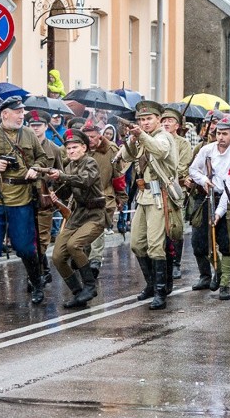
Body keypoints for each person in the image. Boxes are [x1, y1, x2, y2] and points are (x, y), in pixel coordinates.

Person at [0, 96, 49, 307]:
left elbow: (42, 158)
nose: (21, 115)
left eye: (22, 112)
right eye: (17, 112)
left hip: (22, 196)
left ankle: (36, 283)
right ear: (5, 114)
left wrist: (35, 168)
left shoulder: (29, 135)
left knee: (24, 246)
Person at [120, 100, 179, 310]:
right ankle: (151, 284)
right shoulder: (139, 138)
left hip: (160, 195)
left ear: (158, 120)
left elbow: (160, 151)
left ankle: (161, 291)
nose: (144, 123)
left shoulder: (164, 137)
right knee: (136, 243)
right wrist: (129, 138)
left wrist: (140, 136)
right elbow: (126, 157)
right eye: (141, 120)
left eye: (148, 119)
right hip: (143, 195)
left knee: (156, 246)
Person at [46, 129, 105, 307]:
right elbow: (66, 191)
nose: (71, 151)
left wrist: (62, 175)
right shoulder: (69, 166)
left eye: (74, 147)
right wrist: (55, 185)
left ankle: (89, 286)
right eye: (68, 148)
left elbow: (84, 181)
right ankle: (78, 293)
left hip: (94, 215)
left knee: (74, 245)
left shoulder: (90, 163)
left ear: (84, 148)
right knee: (57, 256)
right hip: (77, 215)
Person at [188, 117, 230, 299]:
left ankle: (225, 283)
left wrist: (218, 214)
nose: (221, 137)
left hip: (226, 200)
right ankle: (217, 271)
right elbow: (193, 170)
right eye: (218, 133)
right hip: (205, 198)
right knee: (199, 242)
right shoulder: (206, 150)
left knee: (226, 243)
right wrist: (204, 180)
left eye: (225, 134)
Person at [83, 120, 127, 278]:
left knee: (97, 225)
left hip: (104, 194)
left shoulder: (111, 150)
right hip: (82, 197)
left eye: (93, 136)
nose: (90, 140)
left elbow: (118, 176)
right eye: (86, 136)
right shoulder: (78, 149)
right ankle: (84, 260)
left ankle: (95, 259)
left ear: (100, 136)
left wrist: (121, 197)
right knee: (83, 231)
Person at [27, 110, 61, 286]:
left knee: (41, 238)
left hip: (44, 198)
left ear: (46, 127)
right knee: (27, 238)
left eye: (38, 125)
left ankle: (37, 274)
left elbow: (61, 175)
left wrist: (55, 191)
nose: (35, 129)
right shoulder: (23, 148)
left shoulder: (54, 149)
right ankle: (43, 270)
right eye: (32, 125)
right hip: (24, 197)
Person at [160, 107, 193, 283]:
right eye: (163, 121)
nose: (166, 123)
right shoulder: (156, 140)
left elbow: (182, 166)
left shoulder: (183, 144)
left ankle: (176, 264)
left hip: (175, 188)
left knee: (176, 227)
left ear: (177, 125)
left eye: (170, 121)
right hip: (158, 189)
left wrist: (168, 177)